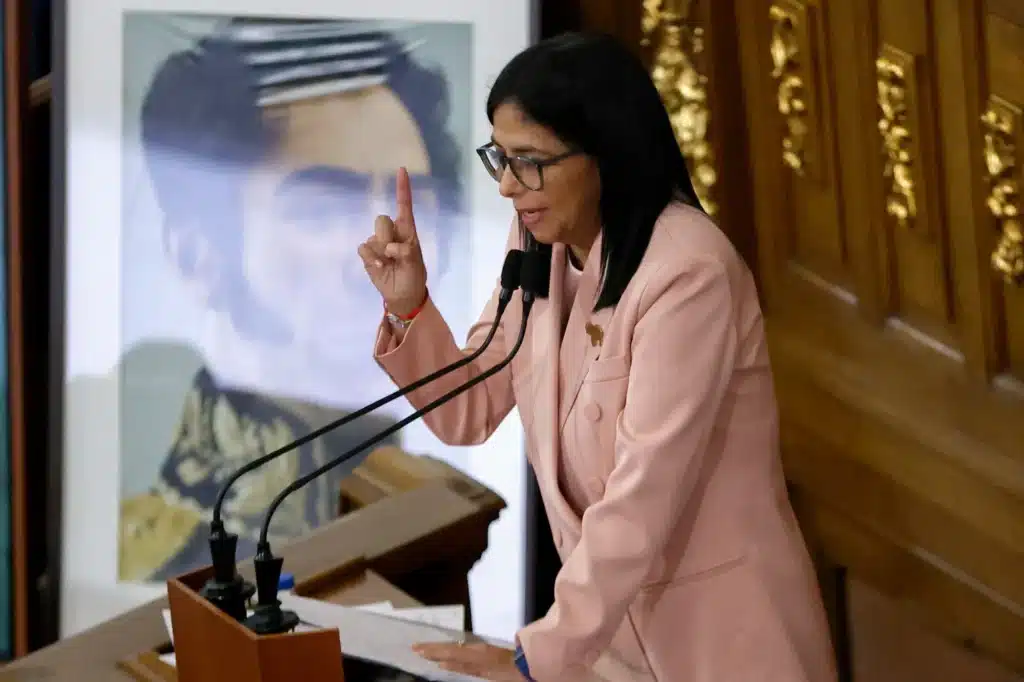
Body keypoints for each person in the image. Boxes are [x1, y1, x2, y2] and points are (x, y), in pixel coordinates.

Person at [359, 32, 838, 682]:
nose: (507, 186)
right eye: (500, 157)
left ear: (604, 153)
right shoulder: (542, 241)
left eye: (529, 161)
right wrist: (410, 306)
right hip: (608, 645)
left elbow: (642, 498)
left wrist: (535, 657)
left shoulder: (688, 274)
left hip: (721, 645)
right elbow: (468, 409)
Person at [117, 18, 466, 582]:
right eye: (323, 209)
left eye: (412, 210)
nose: (388, 253)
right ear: (198, 256)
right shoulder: (149, 563)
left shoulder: (448, 519)